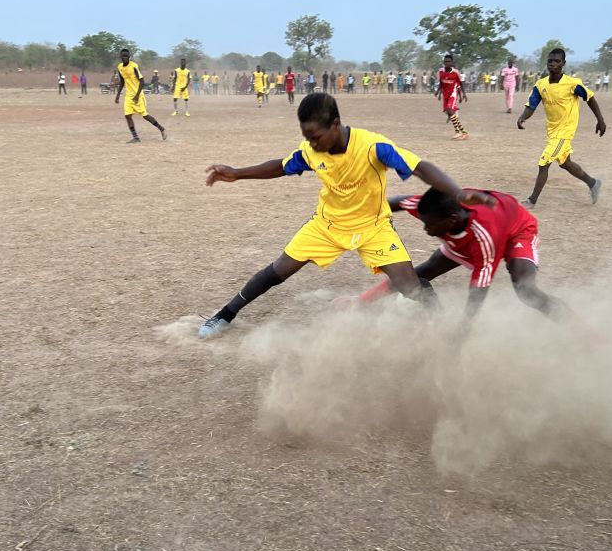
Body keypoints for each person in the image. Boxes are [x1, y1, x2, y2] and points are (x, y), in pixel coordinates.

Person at [196, 92, 495, 338]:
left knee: (410, 285)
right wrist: (237, 173)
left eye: (315, 136)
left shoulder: (372, 146)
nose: (312, 144)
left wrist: (456, 193)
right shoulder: (311, 152)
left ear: (335, 125)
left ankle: (442, 330)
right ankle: (224, 315)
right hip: (327, 225)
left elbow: (420, 166)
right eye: (306, 137)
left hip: (373, 226)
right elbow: (280, 165)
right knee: (278, 271)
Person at [351, 188, 568, 336]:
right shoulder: (433, 208)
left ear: (451, 220)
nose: (426, 231)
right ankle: (363, 301)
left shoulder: (484, 239)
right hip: (478, 228)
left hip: (516, 230)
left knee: (526, 290)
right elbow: (394, 202)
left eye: (430, 226)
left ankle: (580, 329)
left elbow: (479, 288)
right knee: (427, 269)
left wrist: (463, 329)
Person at [517, 48, 605, 208]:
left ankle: (532, 200)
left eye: (557, 61)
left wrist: (600, 119)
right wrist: (523, 117)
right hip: (552, 131)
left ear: (563, 64)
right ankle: (593, 183)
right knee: (565, 163)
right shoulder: (541, 85)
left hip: (565, 132)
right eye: (550, 61)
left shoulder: (572, 84)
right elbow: (531, 105)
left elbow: (590, 98)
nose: (553, 64)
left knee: (544, 162)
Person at [114, 49, 166, 143]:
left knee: (145, 115)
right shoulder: (120, 67)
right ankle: (136, 137)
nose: (125, 58)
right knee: (127, 116)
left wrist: (137, 95)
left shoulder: (134, 66)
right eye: (123, 56)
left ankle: (161, 128)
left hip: (137, 94)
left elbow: (142, 81)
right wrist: (117, 95)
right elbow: (122, 81)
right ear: (120, 57)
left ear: (129, 57)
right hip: (128, 96)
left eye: (127, 56)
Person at [437, 54, 468, 140]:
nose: (447, 63)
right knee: (450, 113)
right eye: (445, 61)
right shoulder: (441, 72)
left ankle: (458, 132)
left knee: (450, 111)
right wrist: (438, 91)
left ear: (451, 62)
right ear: (444, 62)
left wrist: (464, 94)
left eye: (448, 61)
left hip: (453, 94)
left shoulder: (455, 72)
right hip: (445, 94)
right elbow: (441, 82)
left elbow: (460, 84)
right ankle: (464, 132)